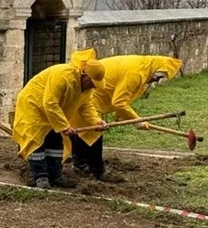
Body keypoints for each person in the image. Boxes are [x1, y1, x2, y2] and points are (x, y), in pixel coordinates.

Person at [68, 50, 183, 182]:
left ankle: (80, 164)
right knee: (94, 131)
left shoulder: (144, 69)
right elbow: (118, 102)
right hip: (91, 95)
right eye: (159, 76)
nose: (157, 79)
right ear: (156, 69)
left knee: (87, 131)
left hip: (94, 94)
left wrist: (122, 115)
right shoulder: (137, 73)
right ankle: (98, 170)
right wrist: (137, 121)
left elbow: (124, 96)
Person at [12, 58, 106, 189]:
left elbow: (85, 105)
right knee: (36, 142)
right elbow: (49, 103)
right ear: (84, 74)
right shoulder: (63, 76)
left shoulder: (86, 88)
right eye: (91, 83)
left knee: (55, 141)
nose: (92, 86)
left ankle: (55, 175)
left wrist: (96, 121)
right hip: (34, 106)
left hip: (53, 110)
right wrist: (64, 126)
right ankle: (41, 177)